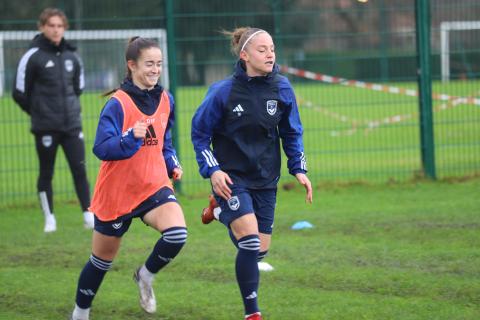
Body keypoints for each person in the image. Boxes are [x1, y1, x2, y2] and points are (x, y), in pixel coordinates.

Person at [191, 27, 313, 320]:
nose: (270, 53)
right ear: (244, 55)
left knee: (259, 250)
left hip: (266, 178)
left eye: (272, 48)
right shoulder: (223, 92)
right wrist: (213, 170)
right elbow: (200, 133)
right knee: (248, 240)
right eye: (262, 49)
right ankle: (252, 314)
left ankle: (220, 212)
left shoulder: (282, 88)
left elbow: (292, 132)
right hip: (231, 177)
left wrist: (299, 168)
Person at [70, 37, 186, 320]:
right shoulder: (117, 104)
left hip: (153, 185)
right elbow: (101, 148)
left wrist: (171, 162)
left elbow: (163, 142)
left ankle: (145, 276)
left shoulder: (165, 98)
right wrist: (128, 138)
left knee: (177, 234)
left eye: (159, 64)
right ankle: (80, 312)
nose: (155, 69)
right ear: (131, 65)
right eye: (149, 64)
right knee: (101, 262)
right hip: (118, 192)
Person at [12, 8, 93, 232]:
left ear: (64, 28)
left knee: (80, 170)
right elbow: (19, 92)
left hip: (72, 126)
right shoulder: (32, 56)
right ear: (42, 27)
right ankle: (50, 218)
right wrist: (38, 113)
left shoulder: (72, 56)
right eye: (51, 25)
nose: (56, 30)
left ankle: (88, 215)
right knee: (46, 172)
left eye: (59, 26)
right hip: (45, 127)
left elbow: (78, 88)